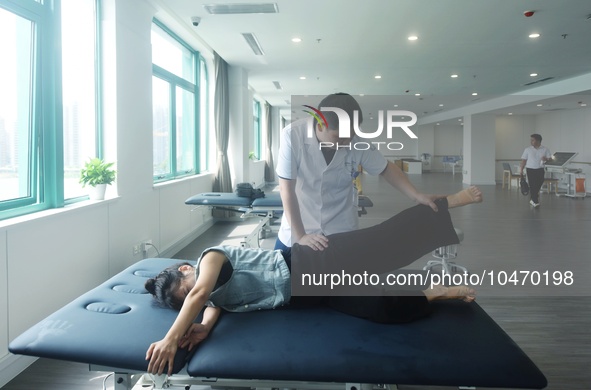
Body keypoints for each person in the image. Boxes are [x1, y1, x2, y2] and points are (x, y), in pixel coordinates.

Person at [144, 186, 483, 376]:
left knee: (387, 242)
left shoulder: (210, 257)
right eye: (193, 301)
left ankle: (445, 200)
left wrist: (170, 338)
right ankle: (435, 293)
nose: (197, 299)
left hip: (311, 261)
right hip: (308, 295)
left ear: (185, 269)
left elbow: (201, 292)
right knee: (380, 307)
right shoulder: (208, 300)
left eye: (188, 292)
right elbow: (211, 301)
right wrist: (203, 326)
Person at [275, 93, 439, 254]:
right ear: (320, 125)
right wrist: (301, 235)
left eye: (350, 136)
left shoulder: (357, 142)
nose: (346, 143)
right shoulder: (293, 135)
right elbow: (286, 189)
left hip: (340, 227)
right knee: (284, 279)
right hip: (298, 228)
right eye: (339, 137)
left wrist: (416, 195)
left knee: (342, 280)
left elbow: (386, 168)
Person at [519, 134, 551, 208]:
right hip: (530, 169)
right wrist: (521, 170)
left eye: (532, 140)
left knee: (540, 182)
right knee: (533, 184)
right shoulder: (527, 149)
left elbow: (550, 159)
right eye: (531, 140)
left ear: (538, 141)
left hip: (540, 169)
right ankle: (535, 201)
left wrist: (546, 159)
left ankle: (533, 197)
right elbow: (523, 160)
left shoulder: (545, 149)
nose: (531, 141)